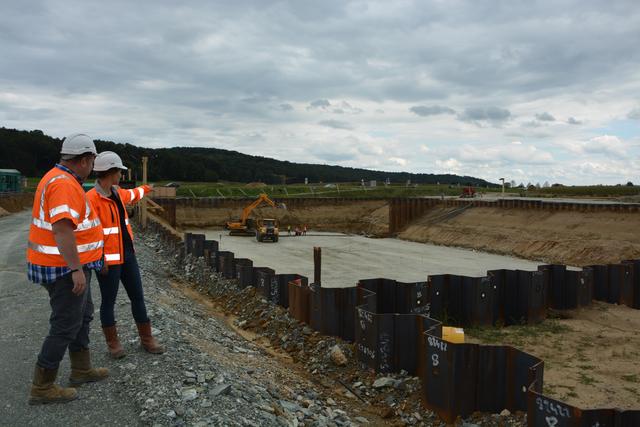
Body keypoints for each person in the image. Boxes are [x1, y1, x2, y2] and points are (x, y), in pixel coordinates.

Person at [27, 133, 108, 405]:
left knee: (83, 315)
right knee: (65, 323)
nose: (93, 167)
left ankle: (81, 369)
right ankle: (43, 386)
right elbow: (62, 229)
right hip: (62, 268)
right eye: (92, 161)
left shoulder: (61, 179)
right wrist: (75, 269)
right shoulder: (63, 184)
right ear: (84, 160)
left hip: (70, 265)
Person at [86, 151, 164, 359]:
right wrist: (98, 259)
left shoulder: (118, 193)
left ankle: (147, 339)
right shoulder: (91, 200)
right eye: (119, 171)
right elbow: (87, 234)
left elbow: (134, 194)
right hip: (107, 261)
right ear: (110, 172)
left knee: (138, 297)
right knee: (108, 302)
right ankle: (113, 344)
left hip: (127, 255)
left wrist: (148, 188)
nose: (121, 175)